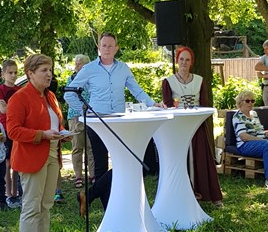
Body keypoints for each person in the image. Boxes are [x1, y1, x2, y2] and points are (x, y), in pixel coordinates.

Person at [65, 33, 156, 212]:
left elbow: (136, 90)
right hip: (97, 122)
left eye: (110, 45)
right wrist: (87, 111)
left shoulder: (123, 68)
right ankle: (109, 210)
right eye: (103, 45)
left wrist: (154, 104)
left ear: (116, 48)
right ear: (98, 48)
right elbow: (69, 93)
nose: (107, 49)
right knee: (100, 165)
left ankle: (89, 195)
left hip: (119, 121)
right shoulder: (89, 69)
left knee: (128, 161)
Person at [5, 54, 69, 232]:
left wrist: (62, 134)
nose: (49, 74)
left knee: (46, 205)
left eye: (50, 69)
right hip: (32, 158)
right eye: (44, 70)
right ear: (30, 73)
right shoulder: (19, 98)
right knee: (32, 206)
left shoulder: (50, 96)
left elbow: (54, 124)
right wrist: (42, 134)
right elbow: (13, 131)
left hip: (52, 155)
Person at [160, 46, 223, 205]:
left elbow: (204, 103)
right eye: (181, 59)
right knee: (181, 158)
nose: (184, 63)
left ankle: (207, 194)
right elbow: (168, 105)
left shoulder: (199, 80)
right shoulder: (169, 82)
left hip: (196, 125)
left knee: (201, 157)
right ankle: (183, 195)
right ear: (177, 60)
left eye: (187, 60)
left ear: (191, 62)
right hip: (178, 126)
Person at [0, 60, 23, 206]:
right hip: (5, 128)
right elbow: (3, 109)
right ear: (4, 74)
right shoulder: (0, 89)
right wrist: (14, 107)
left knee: (16, 161)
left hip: (17, 128)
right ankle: (8, 193)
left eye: (15, 72)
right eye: (10, 73)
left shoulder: (20, 89)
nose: (13, 75)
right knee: (7, 163)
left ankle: (16, 192)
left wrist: (10, 106)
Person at [65, 55, 91, 188]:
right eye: (76, 63)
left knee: (91, 147)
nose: (76, 66)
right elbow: (68, 96)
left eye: (79, 63)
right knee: (77, 147)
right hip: (75, 116)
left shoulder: (91, 78)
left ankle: (93, 175)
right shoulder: (72, 79)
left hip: (90, 116)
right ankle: (78, 177)